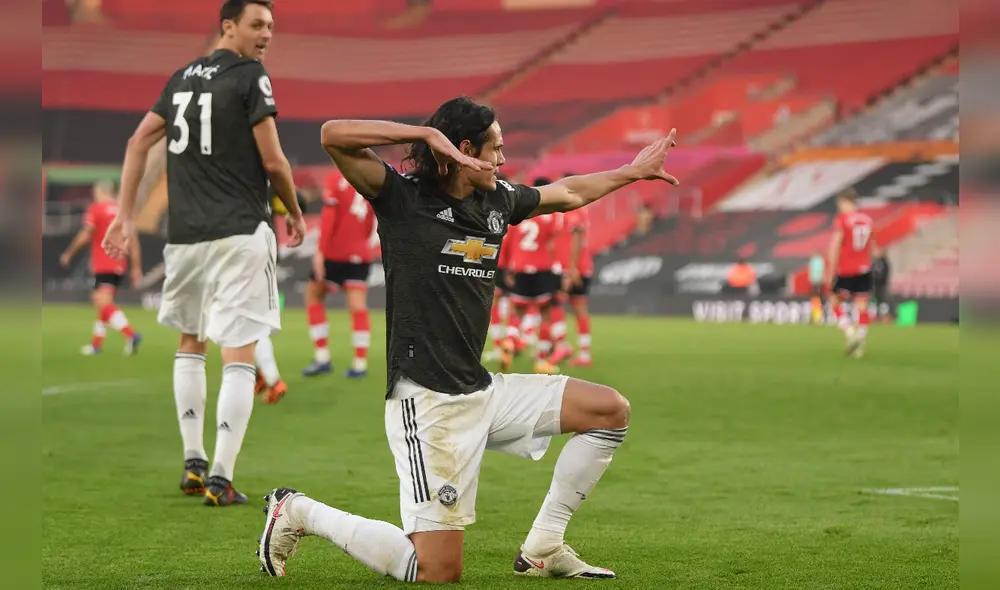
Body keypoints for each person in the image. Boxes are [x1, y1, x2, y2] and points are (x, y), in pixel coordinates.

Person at [256, 96, 678, 582]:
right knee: (436, 571)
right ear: (463, 150)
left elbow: (568, 193)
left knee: (609, 411)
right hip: (428, 404)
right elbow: (333, 133)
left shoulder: (496, 198)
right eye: (495, 149)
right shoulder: (402, 197)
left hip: (481, 392)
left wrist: (633, 170)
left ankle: (544, 546)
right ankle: (297, 511)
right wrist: (422, 134)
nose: (502, 160)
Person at [102, 0, 306, 507]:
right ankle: (220, 476)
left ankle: (192, 461)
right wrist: (295, 212)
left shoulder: (178, 80)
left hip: (186, 235)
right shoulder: (250, 76)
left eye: (272, 27)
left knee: (190, 343)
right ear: (228, 26)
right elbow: (274, 158)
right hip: (240, 231)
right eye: (258, 25)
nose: (266, 35)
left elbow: (135, 142)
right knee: (239, 351)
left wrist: (125, 215)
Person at [301, 168, 376, 378]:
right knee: (358, 305)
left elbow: (329, 217)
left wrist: (320, 252)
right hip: (361, 252)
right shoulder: (367, 177)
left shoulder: (335, 179)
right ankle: (359, 363)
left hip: (335, 251)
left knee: (313, 294)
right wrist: (363, 245)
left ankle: (322, 357)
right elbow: (371, 221)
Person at [60, 179, 144, 356]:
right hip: (119, 263)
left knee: (101, 302)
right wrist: (136, 268)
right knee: (104, 303)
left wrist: (69, 252)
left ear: (99, 192)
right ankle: (96, 345)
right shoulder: (123, 211)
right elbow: (134, 241)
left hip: (103, 263)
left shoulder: (96, 209)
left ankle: (131, 334)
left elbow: (85, 235)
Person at [824, 189, 875, 357]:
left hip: (846, 268)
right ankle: (860, 339)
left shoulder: (843, 220)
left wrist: (830, 270)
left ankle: (849, 332)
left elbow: (836, 245)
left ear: (846, 202)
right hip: (865, 268)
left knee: (833, 300)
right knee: (862, 306)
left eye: (840, 203)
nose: (839, 207)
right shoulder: (867, 220)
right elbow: (871, 247)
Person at [556, 185, 594, 367]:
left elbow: (577, 237)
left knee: (555, 304)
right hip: (580, 267)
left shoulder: (574, 210)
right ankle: (580, 352)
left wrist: (571, 269)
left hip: (574, 269)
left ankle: (563, 346)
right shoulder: (580, 210)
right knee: (575, 308)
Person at [870, 244, 892, 323]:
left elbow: (886, 273)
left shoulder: (884, 262)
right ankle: (872, 316)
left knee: (882, 301)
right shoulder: (872, 261)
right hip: (873, 285)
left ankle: (885, 317)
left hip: (881, 285)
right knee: (872, 301)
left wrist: (885, 283)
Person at [807, 249, 826, 324]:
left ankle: (817, 316)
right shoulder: (814, 260)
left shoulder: (819, 260)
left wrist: (820, 279)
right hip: (814, 281)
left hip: (817, 281)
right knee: (815, 298)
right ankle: (815, 316)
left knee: (816, 298)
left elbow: (820, 271)